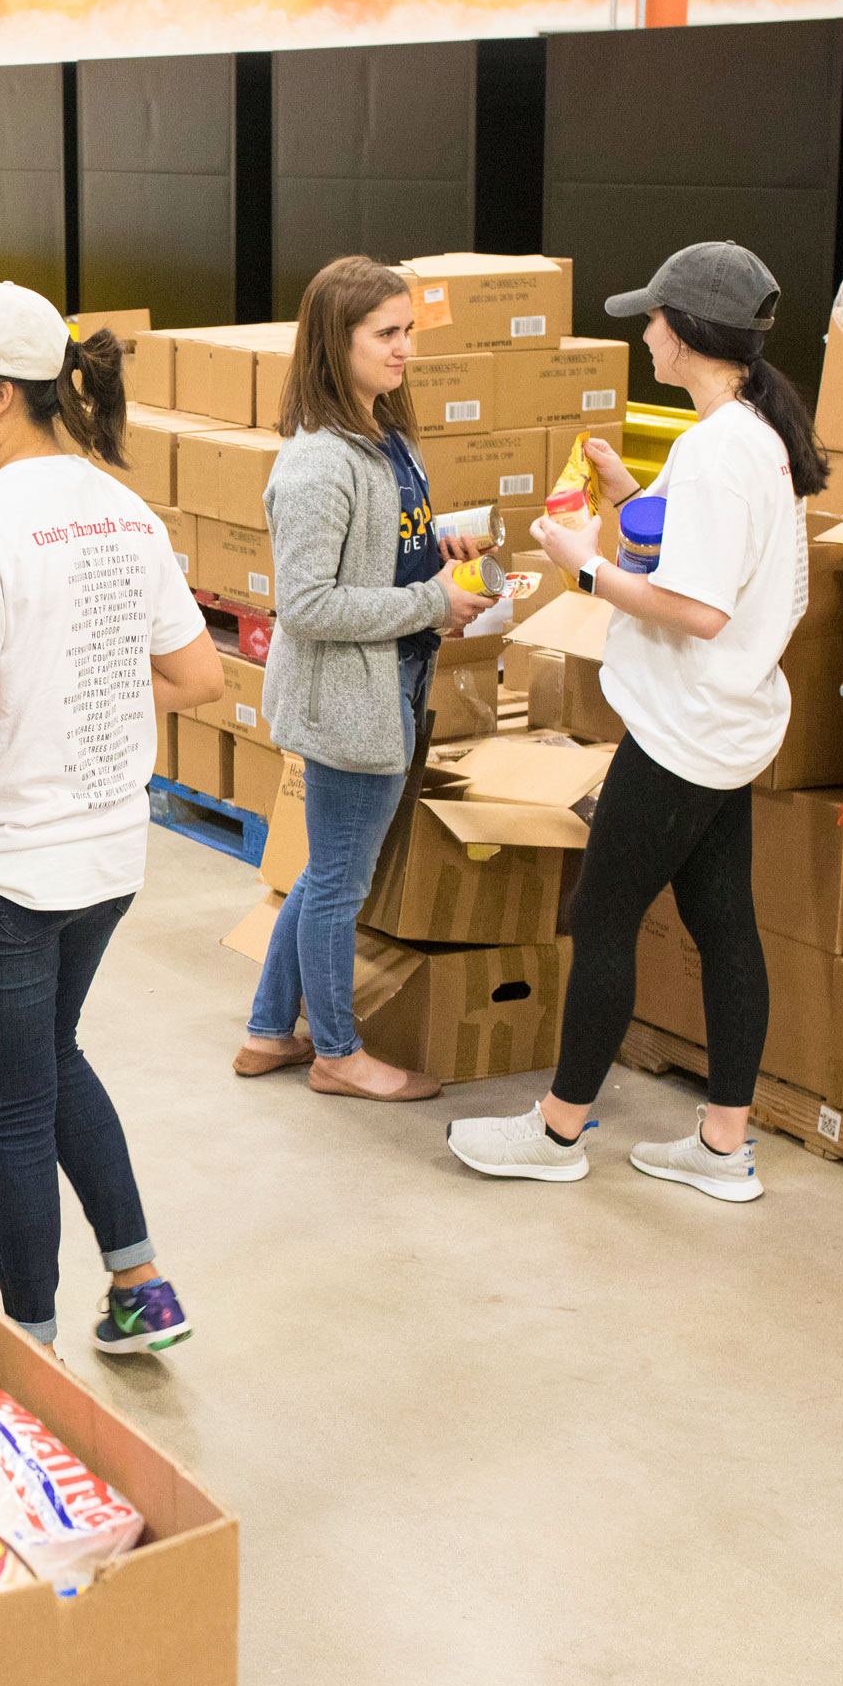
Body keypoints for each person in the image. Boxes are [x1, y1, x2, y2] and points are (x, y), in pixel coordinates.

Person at [0, 282, 223, 1357]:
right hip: (106, 857)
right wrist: (74, 690)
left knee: (9, 1115)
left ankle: (29, 1354)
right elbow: (196, 674)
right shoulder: (124, 510)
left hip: (0, 872)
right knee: (53, 1058)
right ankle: (139, 1284)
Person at [446, 241, 829, 1203]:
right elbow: (709, 557)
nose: (646, 333)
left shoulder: (714, 453)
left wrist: (581, 564)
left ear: (688, 332)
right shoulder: (753, 433)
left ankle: (558, 1129)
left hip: (682, 730)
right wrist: (625, 496)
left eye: (654, 319)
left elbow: (696, 607)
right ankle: (723, 1145)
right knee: (723, 921)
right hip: (731, 721)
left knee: (602, 917)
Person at [236, 257, 497, 1102]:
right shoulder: (319, 463)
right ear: (334, 341)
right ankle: (337, 1052)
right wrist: (432, 602)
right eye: (386, 334)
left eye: (409, 330)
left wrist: (436, 545)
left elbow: (377, 547)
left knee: (328, 870)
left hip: (388, 684)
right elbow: (309, 604)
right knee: (339, 885)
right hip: (350, 701)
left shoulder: (384, 435)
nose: (405, 348)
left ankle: (268, 1031)